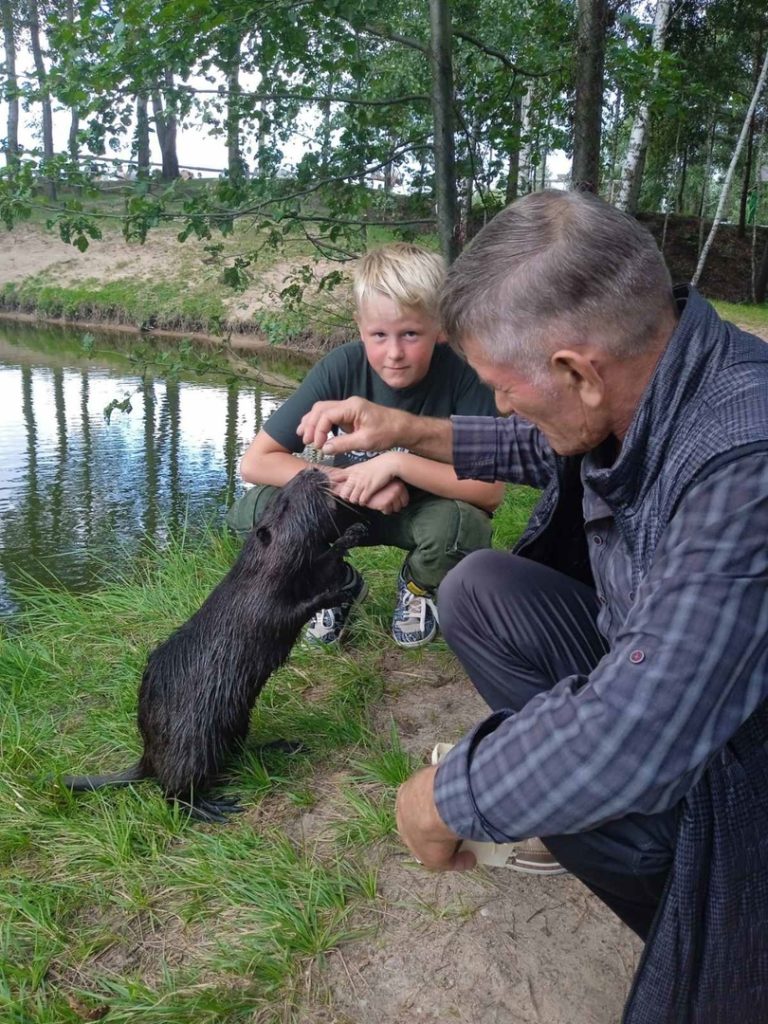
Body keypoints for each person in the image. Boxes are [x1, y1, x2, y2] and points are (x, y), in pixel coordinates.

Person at [297, 190, 768, 1022]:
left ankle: (702, 917)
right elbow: (538, 437)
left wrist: (448, 794)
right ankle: (612, 823)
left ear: (577, 371)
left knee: (566, 777)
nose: (501, 406)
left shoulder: (746, 461)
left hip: (735, 757)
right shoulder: (659, 367)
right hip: (686, 689)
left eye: (500, 387)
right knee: (481, 589)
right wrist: (400, 426)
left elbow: (648, 718)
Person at [227, 242, 503, 648]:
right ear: (360, 328)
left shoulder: (464, 375)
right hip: (343, 504)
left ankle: (419, 586)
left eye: (410, 334)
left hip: (422, 510)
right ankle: (334, 584)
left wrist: (398, 465)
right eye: (379, 335)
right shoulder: (341, 366)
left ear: (440, 328)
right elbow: (255, 463)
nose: (394, 353)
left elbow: (490, 491)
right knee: (252, 513)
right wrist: (350, 480)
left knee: (463, 526)